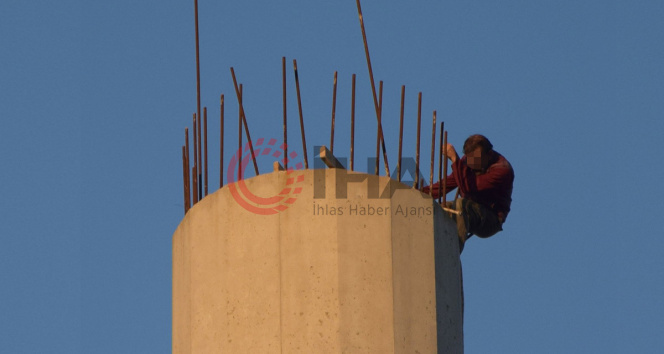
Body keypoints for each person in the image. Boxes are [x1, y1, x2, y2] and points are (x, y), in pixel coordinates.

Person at [423, 134, 514, 252]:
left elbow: (468, 188)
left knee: (461, 205)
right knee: (443, 208)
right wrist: (420, 193)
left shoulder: (501, 170)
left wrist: (455, 160)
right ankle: (431, 247)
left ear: (489, 155)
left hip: (491, 219)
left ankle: (452, 252)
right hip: (471, 209)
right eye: (470, 160)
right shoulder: (469, 161)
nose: (472, 164)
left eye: (477, 161)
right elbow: (447, 184)